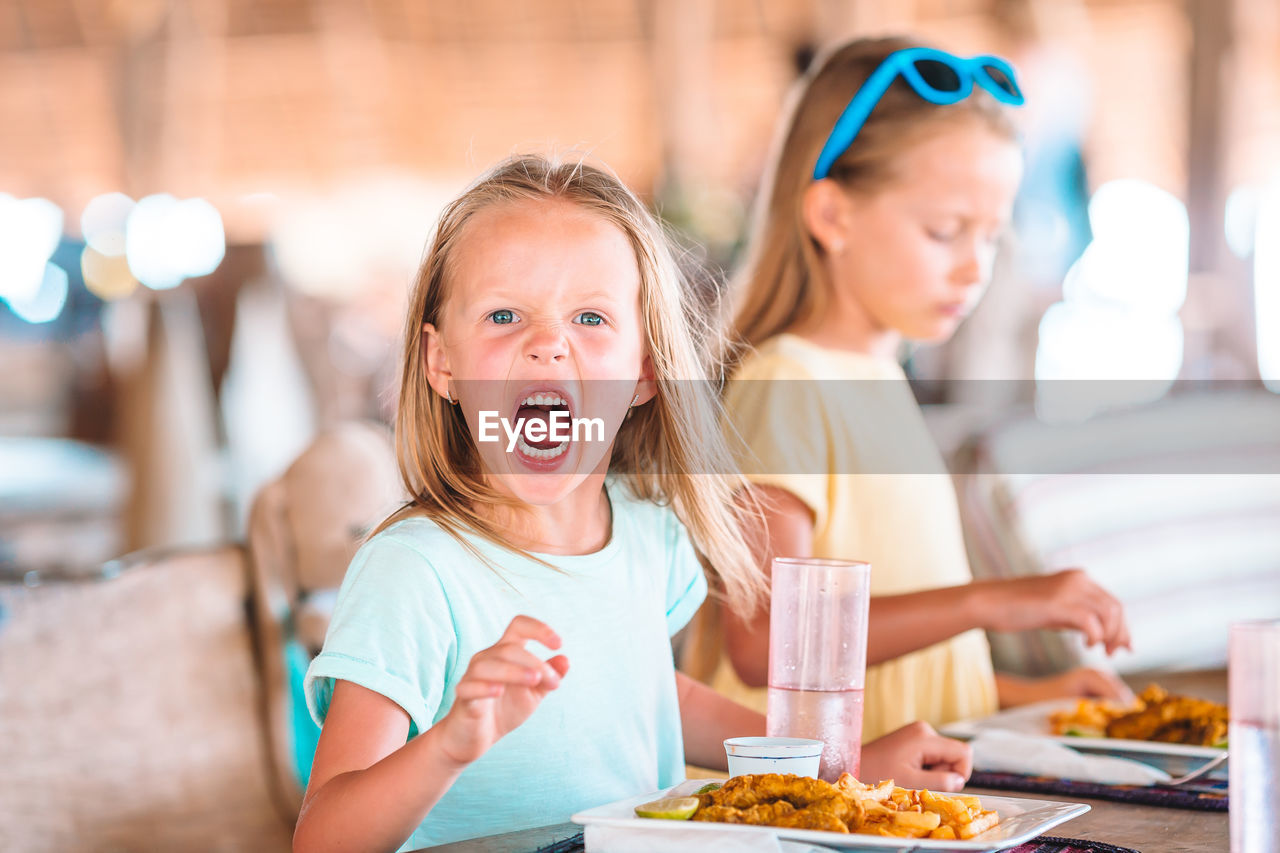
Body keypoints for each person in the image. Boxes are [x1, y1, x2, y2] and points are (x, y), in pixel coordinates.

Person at [292, 155, 973, 852]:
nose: (548, 344)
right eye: (504, 314)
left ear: (645, 369)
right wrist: (449, 744)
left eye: (590, 317)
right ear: (442, 365)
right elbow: (324, 839)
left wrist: (834, 769)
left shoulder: (652, 534)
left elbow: (653, 697)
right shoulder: (414, 571)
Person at [700, 37, 1134, 744]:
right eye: (945, 231)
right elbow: (768, 643)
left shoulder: (882, 383)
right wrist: (991, 602)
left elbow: (892, 660)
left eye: (991, 237)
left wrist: (1028, 692)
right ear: (833, 216)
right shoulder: (786, 383)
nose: (975, 269)